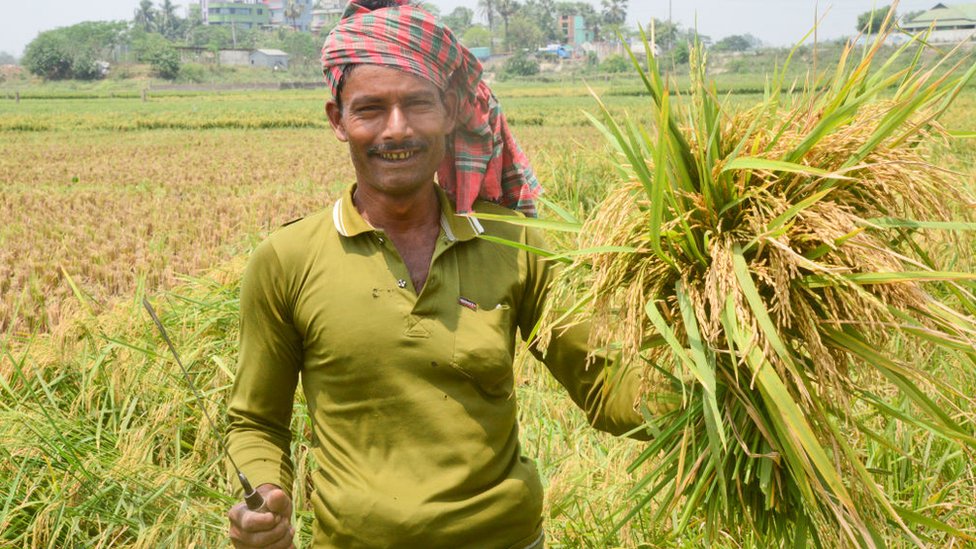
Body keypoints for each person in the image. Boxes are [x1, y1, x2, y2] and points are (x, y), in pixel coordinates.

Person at [225, 1, 650, 547]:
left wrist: (716, 385)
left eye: (418, 104)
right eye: (370, 109)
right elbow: (257, 422)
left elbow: (605, 384)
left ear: (451, 111)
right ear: (338, 120)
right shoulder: (287, 259)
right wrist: (264, 497)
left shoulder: (512, 242)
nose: (396, 130)